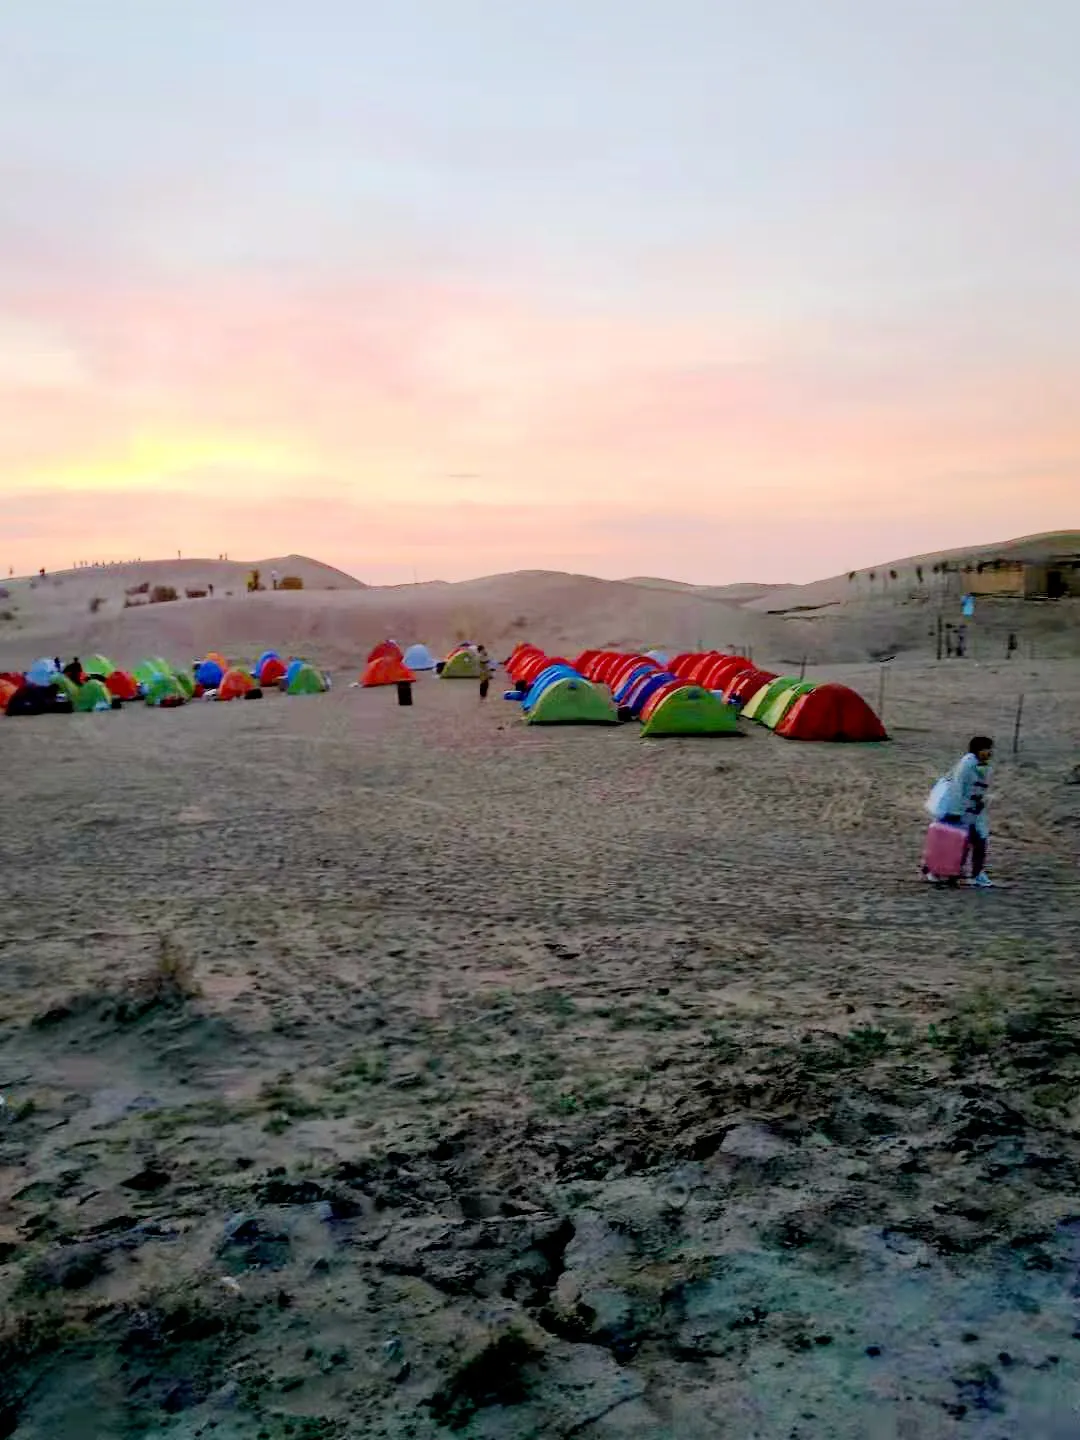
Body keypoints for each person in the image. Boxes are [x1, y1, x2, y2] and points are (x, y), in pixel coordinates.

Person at [943, 736, 994, 887]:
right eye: (987, 749)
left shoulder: (983, 766)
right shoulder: (966, 765)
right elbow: (957, 788)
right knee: (962, 843)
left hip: (975, 812)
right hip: (963, 811)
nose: (990, 752)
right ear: (978, 750)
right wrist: (956, 811)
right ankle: (953, 873)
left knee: (977, 842)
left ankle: (974, 874)